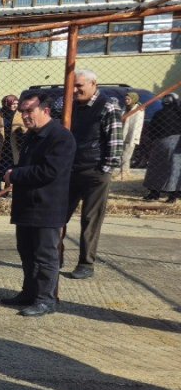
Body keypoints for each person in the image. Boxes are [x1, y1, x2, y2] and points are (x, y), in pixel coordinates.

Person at [3, 95, 76, 317]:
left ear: (45, 110)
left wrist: (15, 174)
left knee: (45, 255)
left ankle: (45, 299)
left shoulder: (60, 137)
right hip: (26, 205)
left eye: (28, 111)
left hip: (47, 206)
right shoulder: (32, 136)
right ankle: (29, 292)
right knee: (26, 251)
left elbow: (49, 171)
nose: (24, 116)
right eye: (22, 112)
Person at [65, 69, 123, 280]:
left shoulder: (108, 106)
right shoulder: (71, 106)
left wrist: (105, 170)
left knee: (90, 218)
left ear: (93, 84)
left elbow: (115, 142)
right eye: (72, 85)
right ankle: (54, 256)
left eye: (79, 85)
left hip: (95, 171)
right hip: (71, 169)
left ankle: (86, 263)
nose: (74, 90)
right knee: (58, 214)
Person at [142, 93, 181, 203]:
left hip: (159, 143)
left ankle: (154, 194)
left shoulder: (158, 114)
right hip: (176, 144)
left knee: (156, 169)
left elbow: (151, 131)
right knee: (174, 170)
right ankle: (173, 196)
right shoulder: (179, 114)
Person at [0, 95, 23, 193]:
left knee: (10, 166)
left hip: (14, 145)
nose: (15, 106)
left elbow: (26, 127)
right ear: (6, 103)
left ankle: (7, 187)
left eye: (17, 104)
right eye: (13, 104)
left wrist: (21, 131)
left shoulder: (20, 115)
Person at [121, 92, 144, 176]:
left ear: (134, 99)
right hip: (123, 134)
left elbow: (137, 125)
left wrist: (133, 138)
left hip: (131, 135)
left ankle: (123, 172)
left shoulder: (138, 109)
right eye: (125, 99)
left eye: (128, 99)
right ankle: (125, 172)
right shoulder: (125, 108)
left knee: (126, 155)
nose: (126, 101)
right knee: (124, 155)